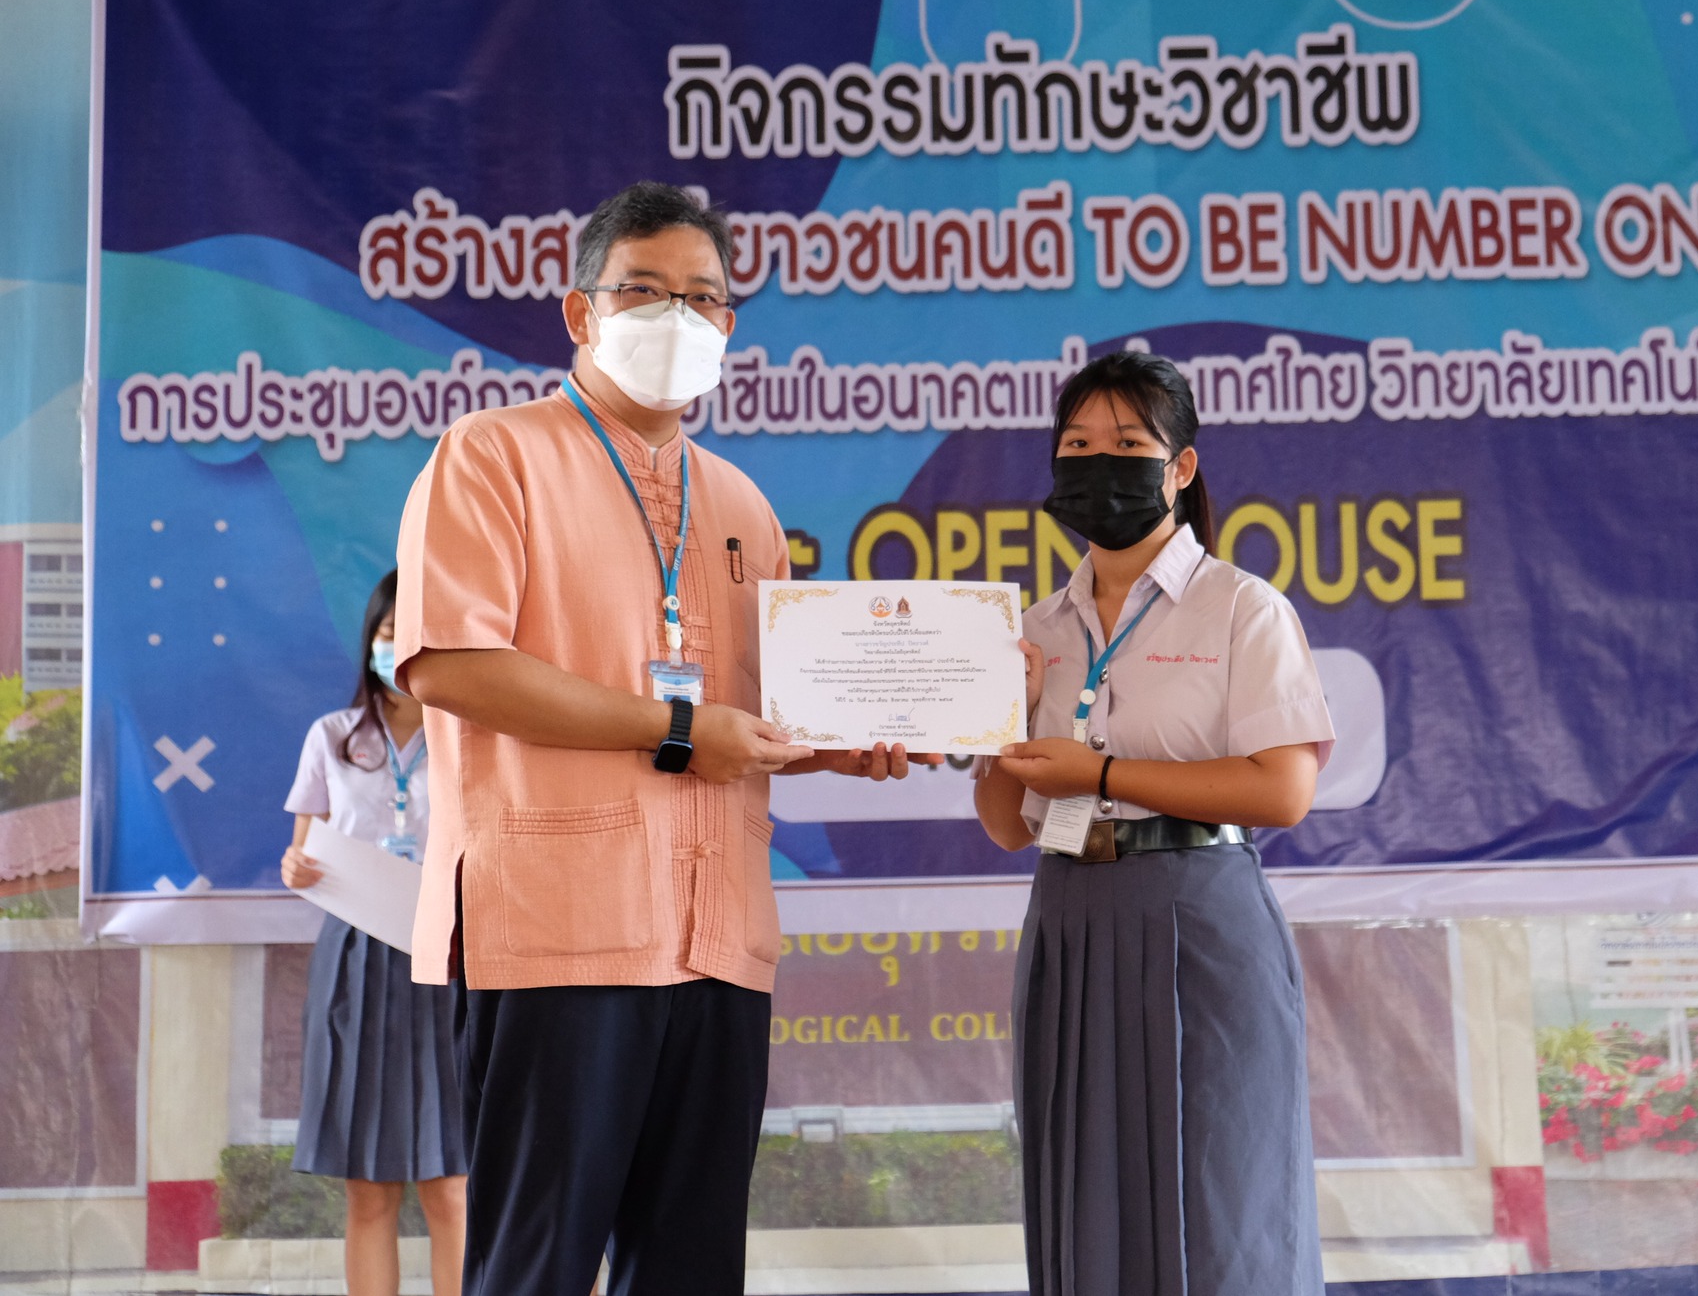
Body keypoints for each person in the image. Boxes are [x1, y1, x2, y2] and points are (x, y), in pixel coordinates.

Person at [391, 180, 930, 1296]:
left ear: (730, 327)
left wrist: (861, 737)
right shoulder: (492, 456)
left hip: (716, 940)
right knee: (532, 1265)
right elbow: (450, 664)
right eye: (643, 290)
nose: (675, 318)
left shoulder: (741, 503)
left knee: (689, 1268)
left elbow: (760, 715)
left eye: (702, 297)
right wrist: (677, 729)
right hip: (555, 931)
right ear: (580, 311)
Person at [974, 352, 1335, 1296]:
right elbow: (1008, 825)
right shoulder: (1035, 627)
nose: (1102, 462)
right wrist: (994, 727)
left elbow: (1282, 791)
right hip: (1070, 918)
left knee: (1221, 1202)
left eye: (1129, 444)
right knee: (1083, 1196)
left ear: (1180, 468)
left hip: (1200, 920)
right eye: (1078, 444)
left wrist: (1099, 770)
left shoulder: (1241, 608)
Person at [280, 569, 467, 1296]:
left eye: (412, 637)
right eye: (388, 636)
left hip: (444, 954)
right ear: (370, 643)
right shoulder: (331, 735)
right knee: (369, 1188)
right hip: (356, 958)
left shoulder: (468, 741)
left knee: (450, 1182)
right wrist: (296, 864)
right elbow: (304, 849)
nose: (398, 650)